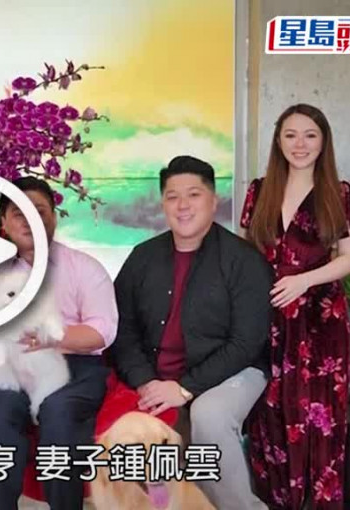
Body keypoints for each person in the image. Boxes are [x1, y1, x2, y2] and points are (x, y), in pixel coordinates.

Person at [110, 156, 273, 510]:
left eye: (194, 194)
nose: (182, 205)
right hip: (155, 377)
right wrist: (144, 381)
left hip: (232, 372)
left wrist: (184, 388)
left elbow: (247, 342)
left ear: (214, 201)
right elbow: (121, 328)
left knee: (209, 416)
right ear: (163, 204)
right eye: (172, 196)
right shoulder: (142, 258)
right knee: (125, 430)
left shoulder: (244, 260)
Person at [0, 176, 119, 510]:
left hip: (75, 368)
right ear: (4, 223)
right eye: (18, 213)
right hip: (11, 368)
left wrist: (49, 337)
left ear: (53, 217)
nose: (29, 220)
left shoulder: (84, 268)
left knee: (58, 411)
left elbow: (102, 331)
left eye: (38, 210)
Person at [242, 104, 350, 510]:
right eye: (290, 134)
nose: (300, 144)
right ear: (278, 140)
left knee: (320, 419)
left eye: (310, 135)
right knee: (272, 418)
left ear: (323, 141)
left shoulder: (339, 192)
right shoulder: (259, 190)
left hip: (321, 321)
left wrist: (303, 280)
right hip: (270, 318)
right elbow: (246, 255)